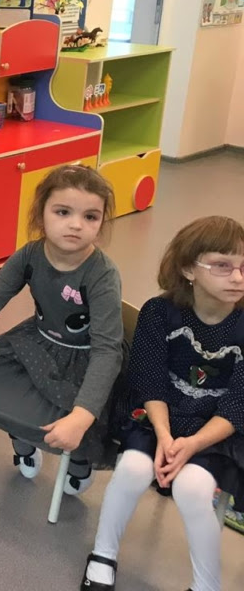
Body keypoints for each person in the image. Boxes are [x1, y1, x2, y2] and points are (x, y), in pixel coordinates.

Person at [0, 165, 123, 494]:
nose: (76, 224)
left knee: (66, 416)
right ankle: (23, 442)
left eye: (90, 216)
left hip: (83, 359)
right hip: (37, 344)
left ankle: (78, 461)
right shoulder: (30, 254)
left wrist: (82, 416)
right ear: (41, 215)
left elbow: (106, 350)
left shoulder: (101, 274)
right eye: (63, 212)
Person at [81, 216, 244, 591]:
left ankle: (207, 585)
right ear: (188, 269)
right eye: (222, 265)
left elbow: (239, 402)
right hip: (160, 416)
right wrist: (166, 436)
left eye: (243, 266)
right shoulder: (159, 312)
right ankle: (103, 555)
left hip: (216, 428)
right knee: (133, 468)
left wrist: (193, 444)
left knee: (193, 489)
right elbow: (149, 379)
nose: (237, 277)